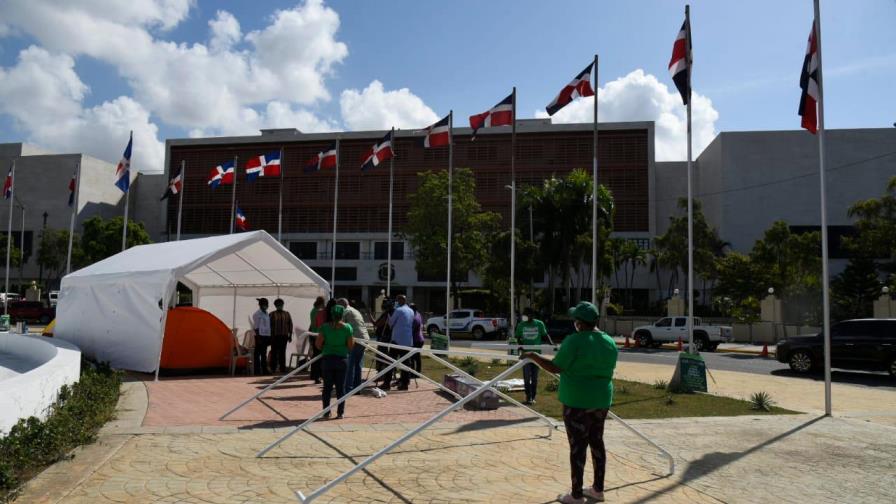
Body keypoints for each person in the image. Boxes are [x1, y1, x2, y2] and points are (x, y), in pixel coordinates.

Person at [523, 301, 618, 504]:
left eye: (576, 320)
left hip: (577, 402)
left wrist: (533, 356)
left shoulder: (574, 341)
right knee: (597, 443)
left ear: (580, 323)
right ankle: (598, 490)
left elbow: (556, 367)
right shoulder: (609, 341)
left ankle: (576, 495)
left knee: (577, 447)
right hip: (601, 400)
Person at [315, 304, 354, 419]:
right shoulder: (347, 328)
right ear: (342, 315)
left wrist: (327, 348)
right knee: (340, 388)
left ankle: (326, 412)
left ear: (331, 315)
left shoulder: (325, 327)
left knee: (327, 388)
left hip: (327, 360)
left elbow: (318, 344)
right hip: (342, 360)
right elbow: (351, 346)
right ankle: (340, 412)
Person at [515, 307, 549, 405]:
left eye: (526, 315)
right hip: (526, 355)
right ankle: (528, 396)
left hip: (537, 355)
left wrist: (552, 344)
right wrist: (520, 345)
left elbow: (545, 335)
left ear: (532, 315)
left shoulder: (539, 324)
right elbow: (517, 337)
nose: (524, 317)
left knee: (534, 377)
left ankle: (533, 397)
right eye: (524, 315)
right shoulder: (521, 325)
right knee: (526, 377)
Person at [383, 294, 414, 390]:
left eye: (396, 300)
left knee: (390, 362)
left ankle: (386, 383)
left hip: (397, 340)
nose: (395, 302)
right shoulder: (411, 310)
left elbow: (391, 323)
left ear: (400, 300)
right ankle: (405, 384)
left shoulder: (398, 310)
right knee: (406, 363)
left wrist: (388, 313)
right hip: (408, 340)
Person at [338, 298, 369, 390]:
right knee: (358, 364)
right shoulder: (355, 310)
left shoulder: (345, 311)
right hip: (364, 338)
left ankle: (348, 388)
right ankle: (357, 387)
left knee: (350, 365)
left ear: (341, 305)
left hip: (355, 339)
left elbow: (340, 325)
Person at [269, 298, 293, 374]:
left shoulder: (287, 314)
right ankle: (273, 368)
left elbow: (290, 324)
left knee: (282, 353)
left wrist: (290, 335)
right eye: (278, 305)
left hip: (284, 336)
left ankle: (282, 368)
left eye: (281, 304)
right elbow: (269, 326)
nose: (280, 306)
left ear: (283, 305)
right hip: (274, 336)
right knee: (274, 352)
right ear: (275, 306)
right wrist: (270, 336)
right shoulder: (272, 314)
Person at [252, 298, 272, 375]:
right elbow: (256, 327)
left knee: (264, 354)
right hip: (260, 336)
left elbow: (267, 326)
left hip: (266, 336)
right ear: (260, 305)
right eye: (264, 304)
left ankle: (264, 370)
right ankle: (257, 370)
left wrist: (269, 336)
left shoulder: (266, 313)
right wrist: (258, 337)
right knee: (257, 354)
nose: (266, 306)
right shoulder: (257, 314)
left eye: (267, 304)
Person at [308, 296, 326, 384]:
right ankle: (317, 376)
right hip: (318, 335)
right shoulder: (318, 312)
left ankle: (314, 375)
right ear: (321, 303)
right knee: (318, 357)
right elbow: (319, 324)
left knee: (315, 356)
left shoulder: (313, 310)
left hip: (313, 334)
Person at [409, 303, 425, 373]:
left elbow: (412, 330)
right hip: (420, 339)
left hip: (416, 339)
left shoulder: (414, 318)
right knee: (416, 356)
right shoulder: (418, 314)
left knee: (414, 357)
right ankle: (416, 372)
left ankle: (415, 372)